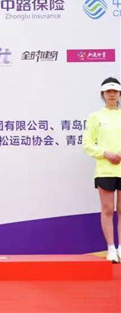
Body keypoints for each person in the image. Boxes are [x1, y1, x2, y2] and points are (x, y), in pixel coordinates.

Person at [83, 77, 121, 263]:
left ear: (119, 94)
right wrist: (105, 153)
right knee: (107, 209)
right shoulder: (95, 117)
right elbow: (88, 144)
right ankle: (111, 248)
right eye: (108, 91)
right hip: (105, 169)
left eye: (115, 91)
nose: (112, 94)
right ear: (103, 94)